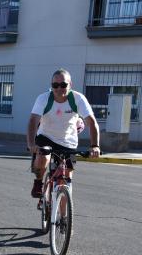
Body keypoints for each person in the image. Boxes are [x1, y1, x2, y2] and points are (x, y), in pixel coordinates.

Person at [27, 68, 101, 198]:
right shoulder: (43, 99)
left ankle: (64, 217)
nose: (59, 88)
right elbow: (33, 121)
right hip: (46, 137)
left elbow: (92, 122)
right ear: (51, 86)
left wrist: (95, 145)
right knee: (43, 157)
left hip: (68, 142)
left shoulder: (78, 99)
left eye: (63, 85)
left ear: (70, 85)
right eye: (55, 85)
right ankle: (38, 181)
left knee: (65, 180)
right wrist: (31, 144)